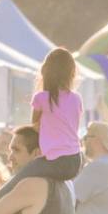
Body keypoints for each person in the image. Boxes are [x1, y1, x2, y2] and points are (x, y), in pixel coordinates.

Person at [28, 48, 85, 181]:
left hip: (55, 160)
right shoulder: (76, 99)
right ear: (71, 74)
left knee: (19, 179)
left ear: (45, 72)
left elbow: (34, 126)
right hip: (75, 159)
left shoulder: (41, 98)